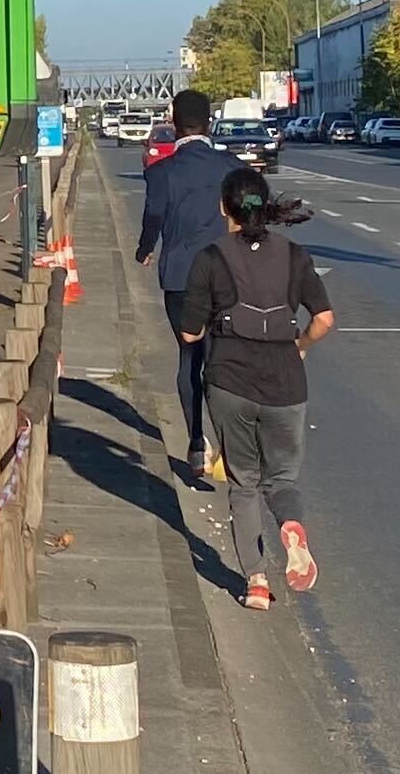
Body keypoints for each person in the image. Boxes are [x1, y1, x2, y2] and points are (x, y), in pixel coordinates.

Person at [186, 159, 333, 609]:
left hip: (230, 381)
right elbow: (324, 320)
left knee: (244, 484)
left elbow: (190, 334)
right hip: (286, 383)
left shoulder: (210, 258)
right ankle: (290, 524)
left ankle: (255, 581)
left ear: (223, 208)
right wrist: (300, 347)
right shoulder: (294, 255)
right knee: (281, 479)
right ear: (265, 207)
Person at [134, 88, 240, 478]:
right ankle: (230, 446)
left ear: (174, 124)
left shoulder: (161, 171)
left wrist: (145, 250)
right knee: (224, 361)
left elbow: (153, 217)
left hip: (180, 278)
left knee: (189, 358)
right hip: (227, 277)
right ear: (210, 122)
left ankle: (196, 443)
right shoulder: (231, 167)